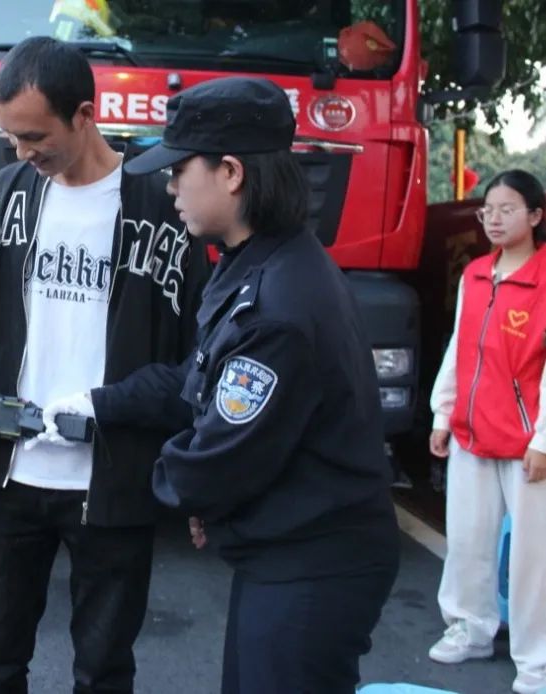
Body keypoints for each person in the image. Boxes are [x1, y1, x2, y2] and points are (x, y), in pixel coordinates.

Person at [45, 76, 400, 694]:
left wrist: (178, 488)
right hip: (289, 548)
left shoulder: (277, 304)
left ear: (231, 172)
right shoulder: (255, 260)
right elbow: (199, 382)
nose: (169, 184)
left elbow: (224, 451)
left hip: (314, 563)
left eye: (181, 168)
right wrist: (101, 403)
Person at [0, 37, 209, 693]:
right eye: (10, 137)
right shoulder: (9, 190)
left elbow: (194, 354)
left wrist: (194, 467)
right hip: (9, 474)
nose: (21, 152)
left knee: (104, 667)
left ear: (84, 113)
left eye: (33, 136)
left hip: (113, 480)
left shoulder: (160, 203)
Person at [427, 169, 546, 694]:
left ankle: (536, 661)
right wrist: (442, 413)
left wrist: (544, 439)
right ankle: (470, 628)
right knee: (469, 543)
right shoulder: (475, 274)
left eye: (508, 210)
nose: (494, 219)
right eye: (487, 211)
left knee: (532, 560)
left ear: (537, 216)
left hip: (526, 446)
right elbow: (460, 348)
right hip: (472, 436)